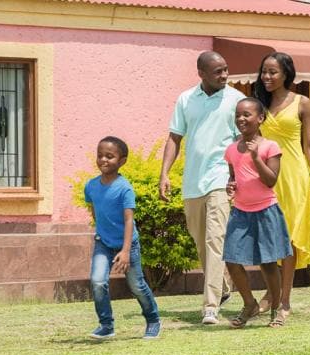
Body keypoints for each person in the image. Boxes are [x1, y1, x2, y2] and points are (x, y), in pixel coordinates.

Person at [159, 51, 245, 324]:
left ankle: (210, 306)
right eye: (218, 71)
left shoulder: (236, 100)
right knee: (201, 242)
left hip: (221, 180)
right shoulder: (186, 99)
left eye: (226, 69)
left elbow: (244, 141)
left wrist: (240, 177)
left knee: (214, 240)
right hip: (192, 183)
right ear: (201, 74)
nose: (224, 75)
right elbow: (175, 138)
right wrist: (164, 174)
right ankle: (223, 288)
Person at [253, 52, 310, 326]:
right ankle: (271, 293)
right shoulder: (258, 103)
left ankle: (283, 301)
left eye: (273, 72)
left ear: (286, 74)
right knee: (267, 242)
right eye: (264, 71)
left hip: (294, 177)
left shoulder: (302, 102)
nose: (267, 77)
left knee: (289, 240)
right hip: (265, 178)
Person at [223, 97, 293, 328]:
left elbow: (271, 180)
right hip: (241, 213)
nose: (241, 119)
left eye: (247, 115)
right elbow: (234, 177)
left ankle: (276, 308)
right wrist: (230, 185)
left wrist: (255, 157)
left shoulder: (270, 147)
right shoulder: (232, 150)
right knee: (232, 260)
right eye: (238, 115)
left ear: (260, 118)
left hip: (266, 211)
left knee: (268, 263)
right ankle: (249, 304)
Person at [85, 136, 161, 339]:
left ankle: (153, 319)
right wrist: (101, 234)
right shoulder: (91, 186)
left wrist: (126, 251)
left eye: (110, 156)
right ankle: (106, 325)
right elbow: (95, 213)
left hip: (128, 245)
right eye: (100, 155)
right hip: (103, 243)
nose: (103, 160)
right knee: (98, 281)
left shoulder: (124, 188)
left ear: (122, 161)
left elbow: (129, 220)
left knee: (137, 285)